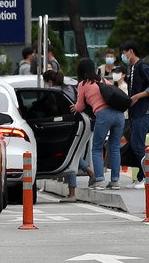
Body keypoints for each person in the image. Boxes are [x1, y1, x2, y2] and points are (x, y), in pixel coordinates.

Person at [71, 58, 125, 190]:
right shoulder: (103, 80)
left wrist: (74, 107)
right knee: (114, 147)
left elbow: (80, 106)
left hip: (103, 115)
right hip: (119, 115)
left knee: (97, 148)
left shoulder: (83, 84)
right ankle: (115, 181)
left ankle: (99, 180)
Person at [43, 70, 95, 202]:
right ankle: (89, 171)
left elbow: (51, 111)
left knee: (70, 157)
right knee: (73, 154)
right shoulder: (70, 88)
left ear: (49, 81)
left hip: (64, 126)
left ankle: (72, 193)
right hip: (80, 123)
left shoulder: (53, 92)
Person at [121, 40, 149, 189]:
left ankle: (146, 177)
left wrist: (137, 96)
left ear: (130, 51)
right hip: (134, 112)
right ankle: (140, 177)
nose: (123, 55)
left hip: (142, 111)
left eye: (124, 52)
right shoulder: (132, 68)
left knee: (138, 144)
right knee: (134, 144)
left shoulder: (142, 66)